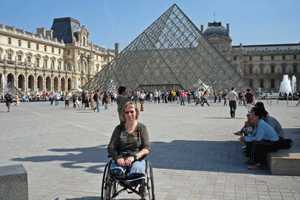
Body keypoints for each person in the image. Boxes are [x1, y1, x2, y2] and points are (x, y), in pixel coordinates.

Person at [107, 102, 150, 178]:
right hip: (121, 158)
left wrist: (134, 157)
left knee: (136, 173)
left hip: (136, 158)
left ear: (136, 112)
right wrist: (117, 158)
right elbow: (111, 146)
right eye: (127, 112)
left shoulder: (142, 128)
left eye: (132, 112)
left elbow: (146, 148)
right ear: (124, 114)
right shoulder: (119, 128)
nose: (129, 114)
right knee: (116, 173)